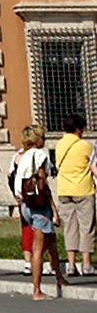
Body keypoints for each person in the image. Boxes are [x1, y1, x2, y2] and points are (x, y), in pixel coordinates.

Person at [14, 126, 58, 298]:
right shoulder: (40, 155)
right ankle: (36, 290)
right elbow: (43, 183)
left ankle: (60, 278)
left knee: (51, 241)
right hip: (39, 206)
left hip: (25, 204)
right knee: (38, 248)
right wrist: (54, 209)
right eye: (43, 136)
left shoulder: (21, 156)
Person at [56, 113, 95, 280]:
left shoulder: (59, 145)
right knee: (86, 227)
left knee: (70, 227)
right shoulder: (85, 146)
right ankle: (87, 263)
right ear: (79, 129)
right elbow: (92, 166)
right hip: (83, 189)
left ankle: (71, 265)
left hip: (64, 189)